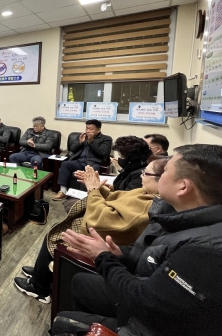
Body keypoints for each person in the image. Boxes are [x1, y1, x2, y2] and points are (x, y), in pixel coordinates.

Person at [54, 144, 222, 336]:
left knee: (63, 322)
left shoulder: (205, 251)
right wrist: (121, 256)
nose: (159, 176)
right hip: (145, 285)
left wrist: (103, 257)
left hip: (148, 320)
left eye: (165, 171)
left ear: (183, 187)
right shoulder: (177, 214)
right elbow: (156, 260)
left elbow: (146, 302)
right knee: (80, 282)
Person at [14, 158, 167, 305]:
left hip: (104, 238)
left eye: (145, 173)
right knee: (58, 227)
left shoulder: (149, 205)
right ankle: (41, 273)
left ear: (162, 179)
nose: (141, 175)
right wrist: (97, 186)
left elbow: (103, 221)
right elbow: (115, 198)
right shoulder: (146, 192)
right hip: (102, 231)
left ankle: (39, 288)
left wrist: (93, 189)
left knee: (56, 234)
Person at [52, 120, 112, 200]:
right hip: (79, 161)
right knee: (65, 164)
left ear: (98, 130)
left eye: (91, 129)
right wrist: (80, 142)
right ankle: (63, 191)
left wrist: (91, 142)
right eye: (87, 128)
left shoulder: (106, 139)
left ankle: (88, 196)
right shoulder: (82, 136)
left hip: (93, 163)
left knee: (91, 173)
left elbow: (103, 154)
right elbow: (72, 149)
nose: (88, 131)